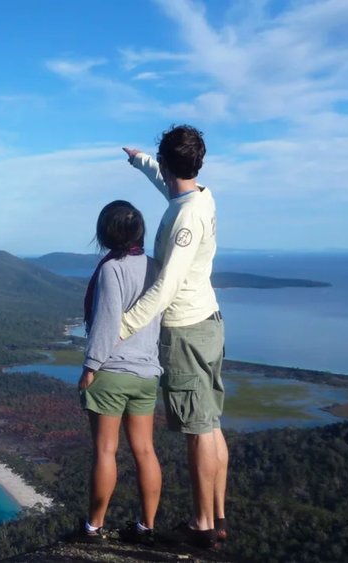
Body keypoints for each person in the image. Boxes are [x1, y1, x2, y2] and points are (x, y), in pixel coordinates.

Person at [120, 124, 227, 549]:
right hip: (208, 322)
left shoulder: (185, 217)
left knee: (198, 428)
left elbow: (164, 286)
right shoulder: (199, 197)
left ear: (170, 164)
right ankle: (217, 515)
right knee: (212, 423)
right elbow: (169, 185)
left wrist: (123, 326)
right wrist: (140, 160)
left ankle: (202, 525)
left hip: (184, 330)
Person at [77, 200, 163, 546]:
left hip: (112, 370)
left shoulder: (112, 269)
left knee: (105, 450)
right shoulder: (155, 267)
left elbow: (107, 321)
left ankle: (94, 528)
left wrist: (90, 367)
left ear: (105, 232)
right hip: (146, 373)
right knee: (145, 450)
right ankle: (147, 526)